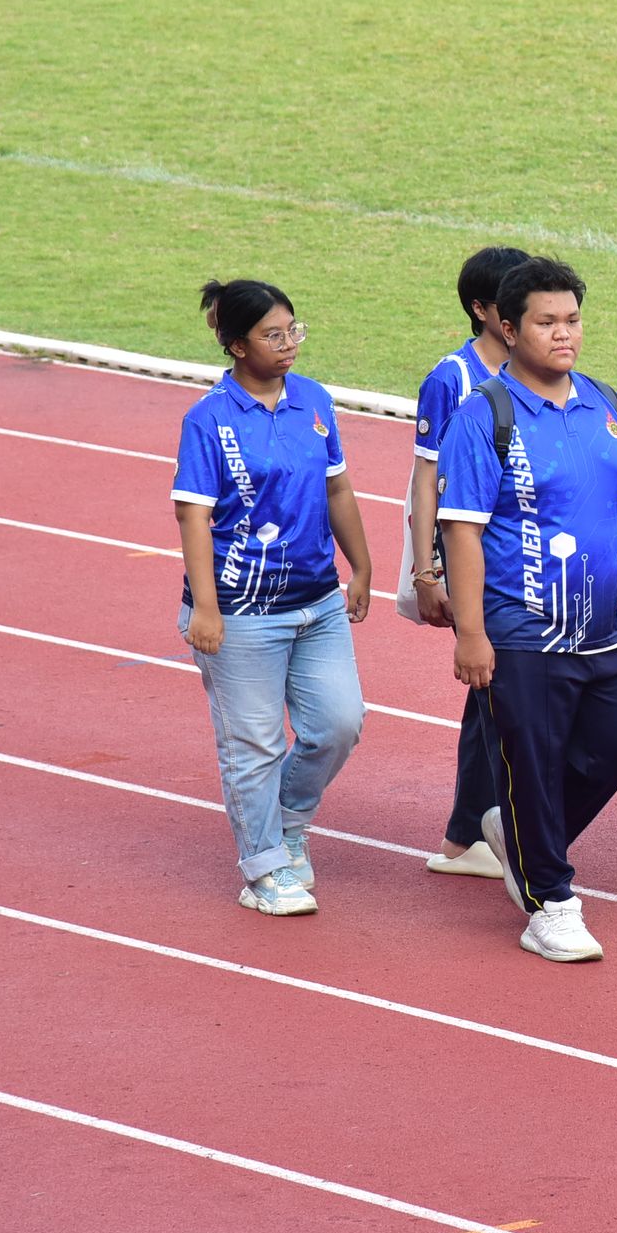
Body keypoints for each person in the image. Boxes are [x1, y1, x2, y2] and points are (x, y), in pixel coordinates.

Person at [436, 257, 617, 963]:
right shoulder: (483, 418)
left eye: (572, 319)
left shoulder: (606, 404)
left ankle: (525, 837)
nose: (564, 333)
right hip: (522, 632)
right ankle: (550, 904)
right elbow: (462, 532)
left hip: (605, 629)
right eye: (546, 322)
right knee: (531, 764)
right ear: (508, 329)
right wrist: (471, 634)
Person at [171, 279, 371, 917]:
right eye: (272, 335)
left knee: (338, 725)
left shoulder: (314, 400)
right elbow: (193, 515)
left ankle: (286, 822)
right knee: (254, 745)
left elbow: (337, 489)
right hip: (240, 610)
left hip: (317, 601)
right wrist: (206, 606)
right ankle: (263, 869)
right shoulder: (208, 420)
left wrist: (361, 566)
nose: (289, 344)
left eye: (293, 330)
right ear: (236, 345)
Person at [400, 245, 527, 881]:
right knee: (496, 692)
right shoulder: (451, 377)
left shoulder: (536, 369)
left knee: (494, 697)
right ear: (482, 309)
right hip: (472, 555)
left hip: (525, 557)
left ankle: (470, 832)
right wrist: (427, 573)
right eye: (514, 301)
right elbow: (426, 481)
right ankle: (478, 832)